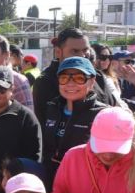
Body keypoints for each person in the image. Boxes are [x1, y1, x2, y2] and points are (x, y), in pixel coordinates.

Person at [41, 56, 108, 186]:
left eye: (79, 78)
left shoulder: (103, 114)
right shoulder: (52, 108)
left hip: (86, 185)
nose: (70, 84)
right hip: (52, 181)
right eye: (64, 78)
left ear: (92, 81)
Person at [32, 27, 116, 121]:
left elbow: (113, 106)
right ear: (58, 52)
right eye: (75, 51)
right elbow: (44, 124)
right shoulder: (45, 82)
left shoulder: (98, 77)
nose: (82, 55)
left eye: (85, 50)